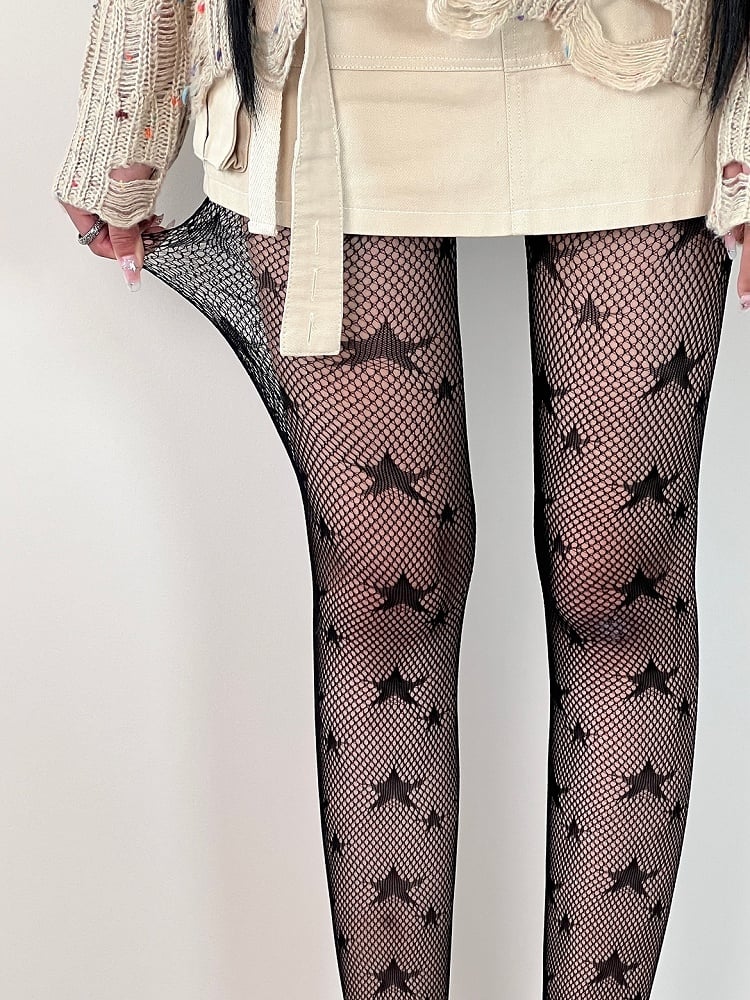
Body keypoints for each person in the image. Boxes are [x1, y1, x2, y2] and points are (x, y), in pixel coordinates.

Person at [52, 2, 750, 998]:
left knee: (620, 587)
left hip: (641, 44)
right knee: (384, 590)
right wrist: (125, 115)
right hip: (339, 50)